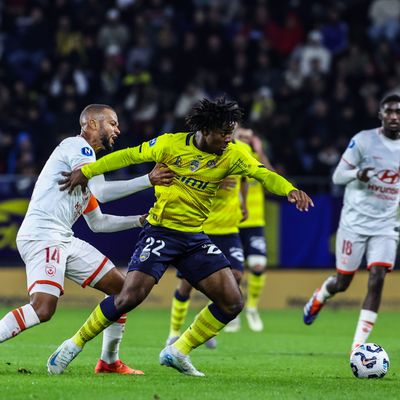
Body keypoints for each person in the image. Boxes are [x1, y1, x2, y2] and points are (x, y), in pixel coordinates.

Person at [48, 97, 313, 377]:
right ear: (205, 130)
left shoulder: (233, 154)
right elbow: (127, 156)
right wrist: (87, 171)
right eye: (223, 133)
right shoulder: (169, 144)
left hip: (194, 238)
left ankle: (178, 350)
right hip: (161, 231)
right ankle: (72, 345)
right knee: (128, 297)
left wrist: (289, 190)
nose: (228, 139)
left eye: (231, 133)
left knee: (233, 302)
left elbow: (262, 173)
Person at [0, 104, 174, 375]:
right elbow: (103, 191)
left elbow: (98, 222)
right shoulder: (78, 147)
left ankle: (108, 362)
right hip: (43, 235)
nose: (118, 129)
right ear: (92, 123)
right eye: (113, 123)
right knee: (43, 309)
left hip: (63, 239)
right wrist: (148, 180)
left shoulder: (87, 170)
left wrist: (140, 220)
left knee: (122, 292)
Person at [303, 93, 400, 351]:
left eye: (398, 112)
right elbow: (337, 177)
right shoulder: (364, 140)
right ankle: (321, 295)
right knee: (343, 282)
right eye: (389, 112)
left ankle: (358, 347)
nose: (394, 116)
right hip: (354, 223)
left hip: (386, 224)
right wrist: (358, 173)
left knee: (377, 277)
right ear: (380, 115)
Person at [166, 139, 250, 348]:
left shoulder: (240, 151)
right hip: (203, 228)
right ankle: (174, 332)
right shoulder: (200, 152)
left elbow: (246, 179)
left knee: (236, 276)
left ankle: (204, 326)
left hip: (229, 229)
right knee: (186, 285)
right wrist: (215, 181)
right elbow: (183, 178)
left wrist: (243, 203)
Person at [235, 126, 274, 332]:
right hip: (232, 222)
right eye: (241, 136)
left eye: (249, 137)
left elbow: (272, 179)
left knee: (258, 265)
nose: (245, 140)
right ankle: (232, 312)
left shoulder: (256, 162)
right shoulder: (232, 158)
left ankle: (252, 308)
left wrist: (261, 152)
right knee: (234, 272)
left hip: (255, 223)